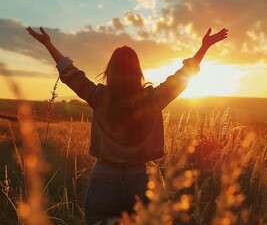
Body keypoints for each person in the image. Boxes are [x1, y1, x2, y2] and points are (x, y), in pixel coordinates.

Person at [26, 26, 228, 224]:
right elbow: (182, 78)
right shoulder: (152, 99)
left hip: (103, 177)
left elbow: (70, 73)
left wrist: (48, 44)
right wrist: (204, 47)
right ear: (137, 72)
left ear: (109, 71)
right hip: (138, 178)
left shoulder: (99, 96)